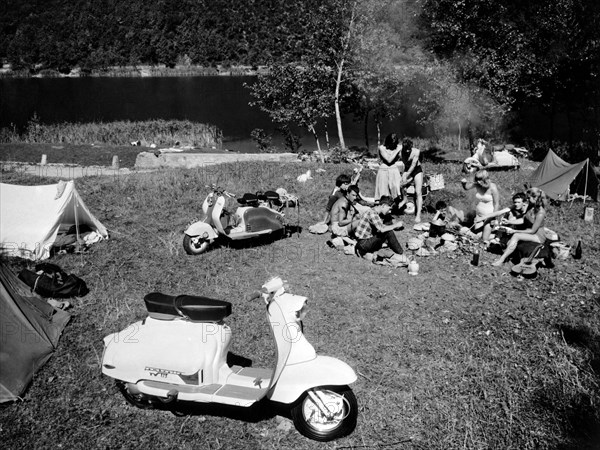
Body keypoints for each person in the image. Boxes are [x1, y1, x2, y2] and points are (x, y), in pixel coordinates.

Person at [492, 187, 548, 266]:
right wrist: (509, 221)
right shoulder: (531, 207)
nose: (527, 200)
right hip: (531, 232)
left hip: (538, 236)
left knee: (516, 235)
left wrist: (515, 231)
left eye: (529, 198)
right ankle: (506, 255)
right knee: (511, 234)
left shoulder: (540, 212)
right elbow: (523, 220)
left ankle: (501, 260)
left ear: (535, 198)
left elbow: (533, 230)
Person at [460, 170, 500, 243]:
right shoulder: (477, 184)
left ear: (485, 179)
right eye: (477, 179)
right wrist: (463, 183)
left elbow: (496, 203)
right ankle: (490, 233)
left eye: (480, 179)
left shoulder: (492, 187)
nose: (478, 181)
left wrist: (494, 217)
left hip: (489, 216)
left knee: (483, 240)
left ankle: (498, 235)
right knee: (477, 235)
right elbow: (466, 188)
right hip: (479, 215)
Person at [400, 138, 424, 222]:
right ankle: (404, 199)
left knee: (418, 192)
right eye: (405, 149)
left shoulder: (416, 152)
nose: (407, 151)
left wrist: (407, 175)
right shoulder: (400, 150)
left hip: (416, 170)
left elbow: (413, 165)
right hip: (406, 170)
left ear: (411, 147)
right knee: (401, 185)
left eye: (408, 149)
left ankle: (418, 215)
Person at [375, 133, 403, 202]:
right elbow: (389, 160)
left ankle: (395, 205)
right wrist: (397, 151)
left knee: (395, 189)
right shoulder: (382, 148)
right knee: (383, 189)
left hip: (394, 170)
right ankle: (383, 205)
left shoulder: (398, 147)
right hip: (383, 170)